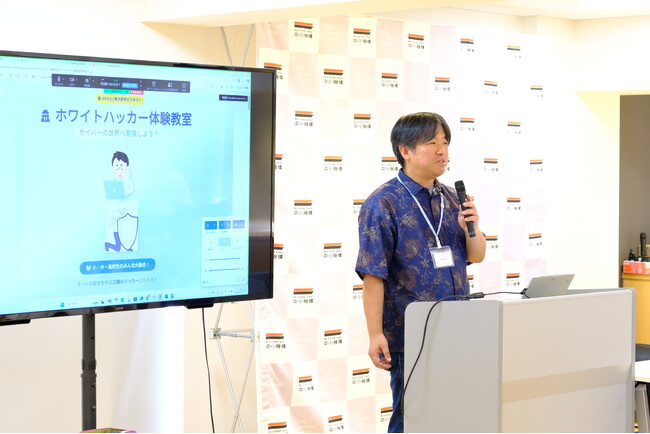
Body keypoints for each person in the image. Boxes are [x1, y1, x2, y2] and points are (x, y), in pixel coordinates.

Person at [355, 112, 486, 433]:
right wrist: (375, 334)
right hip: (410, 333)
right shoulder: (383, 203)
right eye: (432, 143)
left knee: (453, 418)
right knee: (411, 419)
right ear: (406, 151)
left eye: (445, 143)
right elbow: (373, 275)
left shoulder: (452, 198)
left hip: (457, 328)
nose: (442, 151)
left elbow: (477, 255)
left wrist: (471, 227)